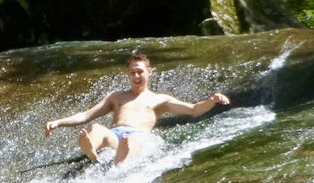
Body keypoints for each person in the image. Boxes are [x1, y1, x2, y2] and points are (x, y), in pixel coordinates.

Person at [44, 52, 230, 164]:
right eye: (132, 72)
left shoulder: (159, 100)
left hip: (137, 136)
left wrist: (212, 100)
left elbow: (193, 109)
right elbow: (86, 115)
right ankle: (91, 150)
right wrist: (58, 122)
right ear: (128, 74)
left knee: (131, 141)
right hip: (114, 134)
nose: (136, 76)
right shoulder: (116, 97)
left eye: (139, 71)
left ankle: (119, 160)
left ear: (149, 72)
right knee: (97, 129)